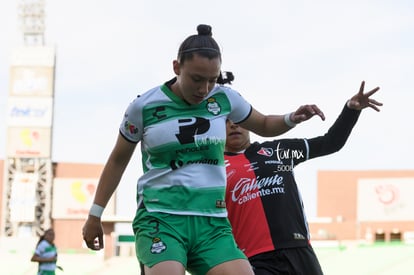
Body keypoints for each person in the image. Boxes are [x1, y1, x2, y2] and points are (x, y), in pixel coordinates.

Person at [82, 24, 325, 275]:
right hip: (161, 217)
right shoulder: (143, 107)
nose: (204, 89)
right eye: (197, 79)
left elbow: (263, 124)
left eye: (211, 80)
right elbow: (118, 160)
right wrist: (95, 215)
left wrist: (291, 118)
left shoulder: (225, 99)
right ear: (177, 67)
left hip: (212, 223)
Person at [224, 81, 382, 275]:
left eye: (238, 118)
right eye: (225, 120)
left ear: (250, 121)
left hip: (299, 252)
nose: (233, 124)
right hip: (255, 260)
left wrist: (351, 111)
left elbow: (330, 143)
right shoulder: (213, 168)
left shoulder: (279, 151)